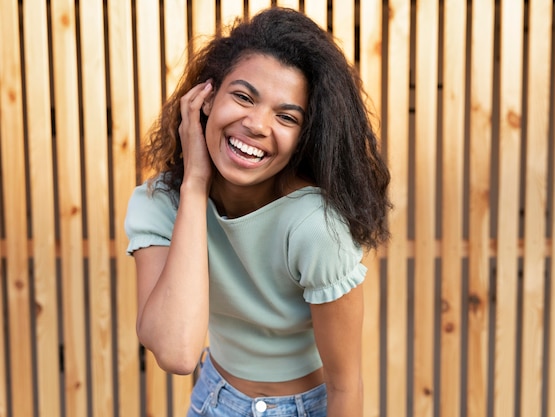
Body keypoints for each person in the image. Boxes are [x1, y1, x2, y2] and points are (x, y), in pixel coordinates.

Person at [125, 7, 391, 417]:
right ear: (207, 99)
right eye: (243, 97)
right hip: (213, 399)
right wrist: (195, 186)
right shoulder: (160, 203)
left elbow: (345, 385)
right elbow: (177, 352)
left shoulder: (315, 227)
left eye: (286, 116)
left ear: (305, 138)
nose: (257, 124)